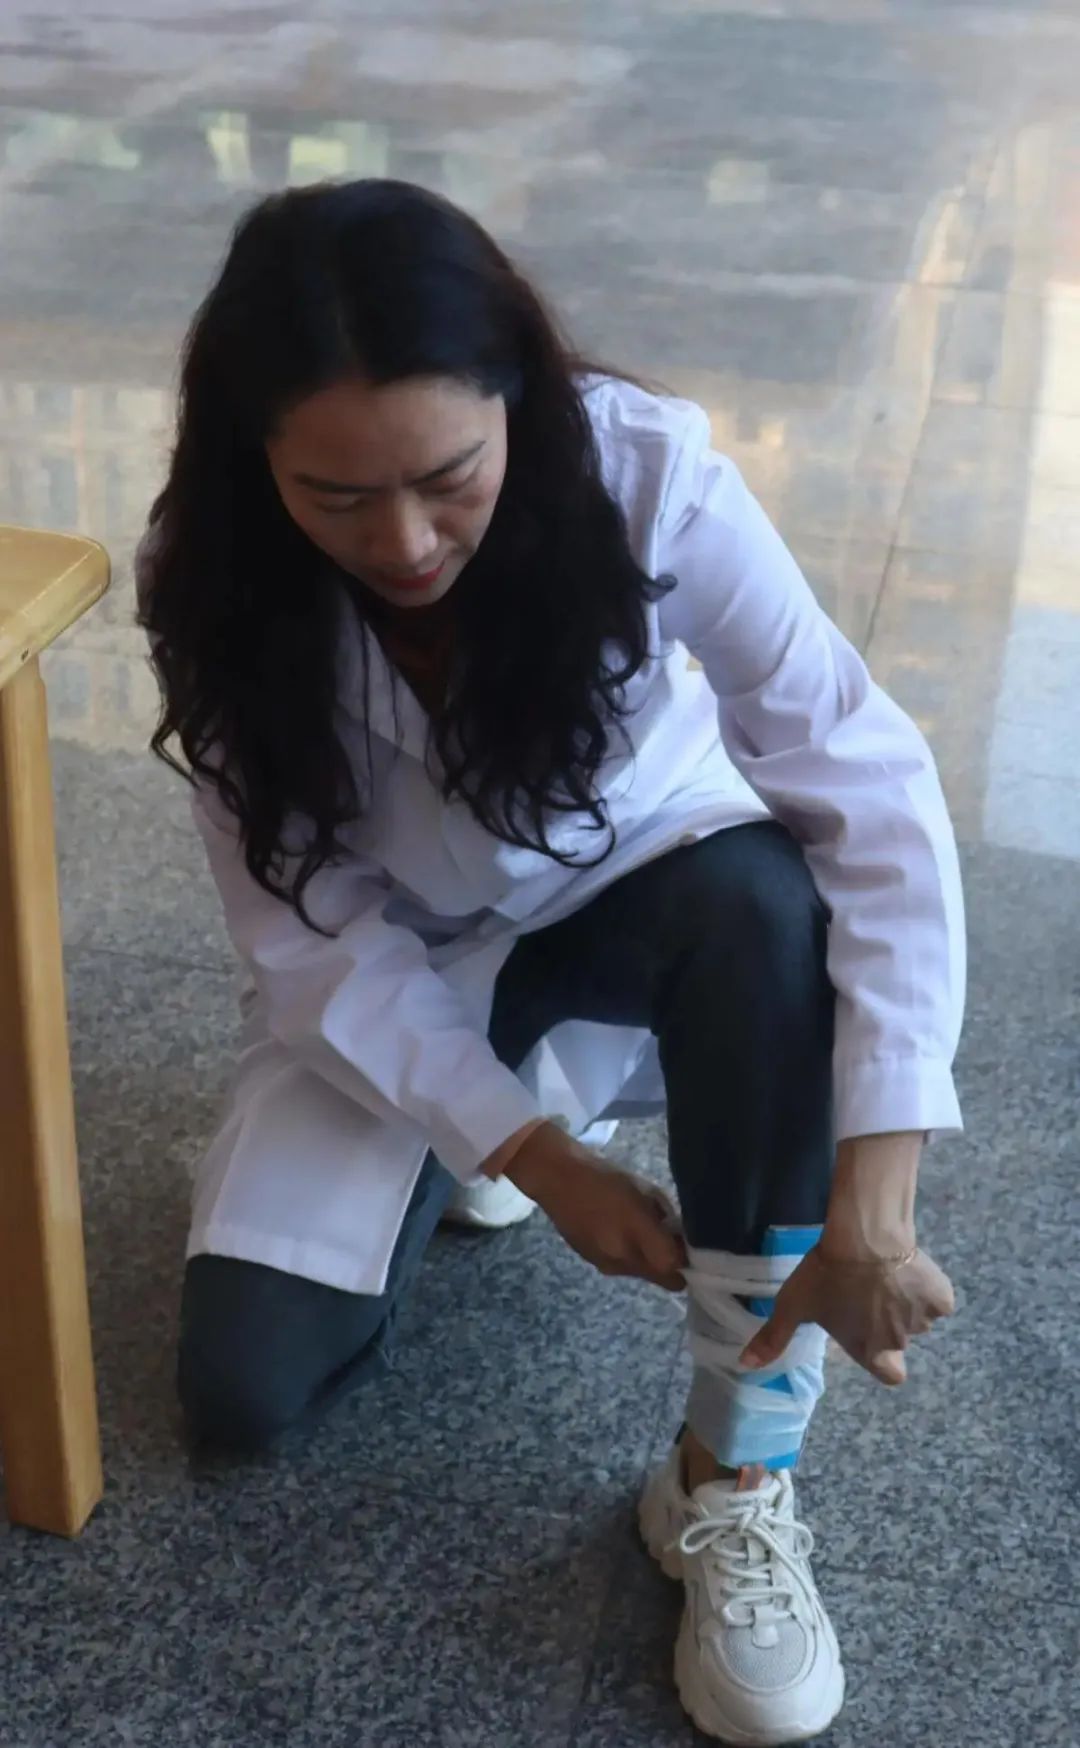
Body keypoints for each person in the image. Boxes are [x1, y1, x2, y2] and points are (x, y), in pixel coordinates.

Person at [139, 178, 962, 1746]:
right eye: (335, 495)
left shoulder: (651, 479)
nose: (403, 542)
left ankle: (730, 1475)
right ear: (255, 461)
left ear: (518, 395)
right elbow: (304, 933)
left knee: (765, 911)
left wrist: (876, 1191)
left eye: (449, 477)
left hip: (648, 894)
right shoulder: (214, 574)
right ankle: (493, 1123)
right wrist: (535, 1155)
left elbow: (867, 784)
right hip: (403, 967)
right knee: (244, 1391)